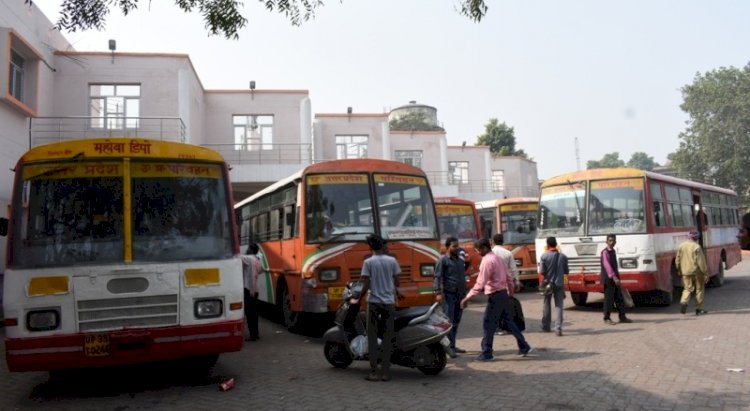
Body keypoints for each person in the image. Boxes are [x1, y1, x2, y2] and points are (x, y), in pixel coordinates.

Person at [460, 238, 532, 361]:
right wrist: (510, 293)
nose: (477, 253)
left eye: (478, 250)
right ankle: (524, 346)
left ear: (484, 248)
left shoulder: (487, 261)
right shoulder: (498, 259)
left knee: (489, 324)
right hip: (503, 294)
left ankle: (487, 352)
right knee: (509, 322)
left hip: (495, 295)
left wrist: (467, 298)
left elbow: (480, 283)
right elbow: (508, 277)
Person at [351, 234, 402, 382]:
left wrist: (357, 297)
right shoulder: (392, 260)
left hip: (373, 302)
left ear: (370, 247)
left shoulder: (368, 262)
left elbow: (365, 283)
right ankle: (385, 372)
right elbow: (397, 282)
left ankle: (373, 372)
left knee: (372, 338)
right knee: (387, 337)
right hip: (389, 303)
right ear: (382, 245)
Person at [433, 236, 468, 358]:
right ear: (447, 247)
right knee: (449, 321)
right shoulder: (443, 260)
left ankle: (452, 345)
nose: (457, 248)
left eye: (457, 246)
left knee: (457, 321)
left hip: (460, 295)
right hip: (449, 295)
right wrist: (437, 293)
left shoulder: (460, 260)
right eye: (454, 246)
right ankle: (447, 348)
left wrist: (466, 296)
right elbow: (437, 277)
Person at [538, 236, 569, 336]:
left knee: (546, 304)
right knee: (559, 305)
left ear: (547, 245)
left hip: (548, 284)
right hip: (559, 284)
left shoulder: (544, 256)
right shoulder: (563, 257)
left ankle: (546, 326)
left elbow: (542, 271)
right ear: (556, 244)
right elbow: (566, 271)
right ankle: (558, 328)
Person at [491, 233, 520, 335]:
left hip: (494, 284)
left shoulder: (490, 253)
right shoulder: (508, 253)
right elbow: (513, 269)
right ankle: (508, 326)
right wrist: (516, 281)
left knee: (495, 306)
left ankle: (498, 327)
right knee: (507, 305)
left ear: (493, 242)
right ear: (502, 241)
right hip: (507, 283)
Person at [600, 234, 633, 325]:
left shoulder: (613, 251)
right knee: (608, 299)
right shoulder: (605, 252)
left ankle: (622, 317)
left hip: (615, 279)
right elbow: (607, 266)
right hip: (609, 279)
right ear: (606, 242)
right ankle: (607, 318)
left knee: (619, 298)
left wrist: (617, 278)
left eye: (613, 241)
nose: (612, 242)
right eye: (610, 240)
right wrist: (614, 277)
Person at [676, 230, 709, 315]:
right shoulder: (697, 247)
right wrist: (705, 273)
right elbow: (701, 262)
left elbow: (677, 260)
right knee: (699, 289)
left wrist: (679, 270)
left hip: (685, 272)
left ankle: (684, 302)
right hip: (697, 272)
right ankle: (699, 308)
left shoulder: (681, 246)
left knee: (687, 288)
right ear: (697, 238)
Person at [241, 242, 262, 341]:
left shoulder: (248, 259)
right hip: (255, 290)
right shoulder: (257, 260)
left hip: (248, 290)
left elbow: (238, 257)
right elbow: (260, 270)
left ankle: (252, 335)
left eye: (248, 249)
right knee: (254, 313)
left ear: (251, 250)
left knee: (249, 313)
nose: (246, 250)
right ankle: (255, 333)